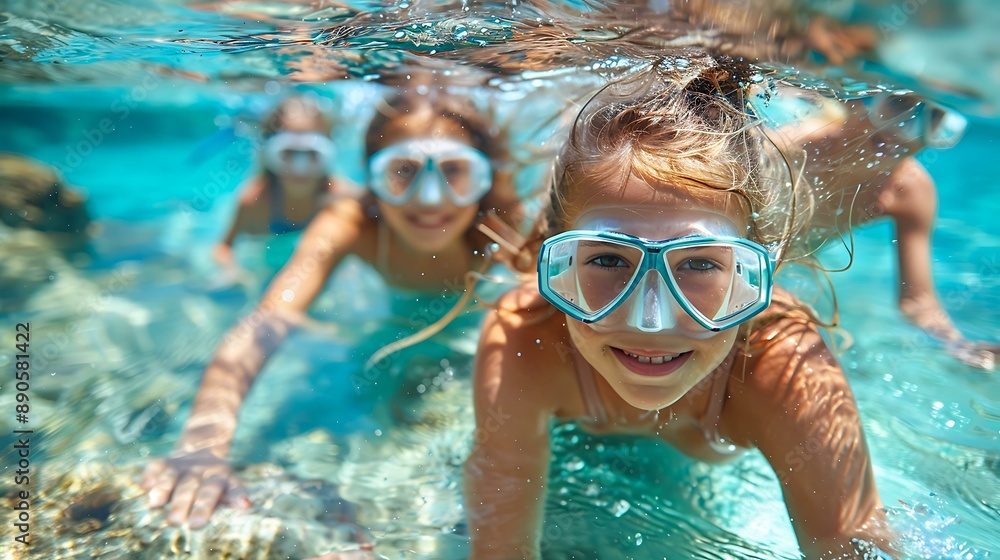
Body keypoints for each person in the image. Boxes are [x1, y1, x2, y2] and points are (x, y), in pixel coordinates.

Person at [463, 68, 897, 559]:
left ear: (757, 272)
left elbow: (854, 543)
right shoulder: (523, 338)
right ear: (556, 259)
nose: (652, 320)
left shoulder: (784, 360)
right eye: (607, 259)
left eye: (698, 264)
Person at [143, 85, 523, 529]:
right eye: (403, 171)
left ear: (485, 178)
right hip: (391, 327)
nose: (430, 198)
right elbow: (269, 319)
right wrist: (203, 441)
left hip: (466, 330)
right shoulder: (352, 223)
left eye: (455, 171)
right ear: (371, 179)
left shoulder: (500, 223)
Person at [761, 89, 997, 370]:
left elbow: (918, 301)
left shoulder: (909, 190)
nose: (908, 131)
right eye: (899, 105)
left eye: (932, 118)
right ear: (855, 98)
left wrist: (956, 345)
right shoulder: (784, 150)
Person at [213, 95, 345, 271]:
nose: (300, 168)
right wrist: (233, 274)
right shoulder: (255, 201)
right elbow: (223, 248)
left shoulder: (341, 199)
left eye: (311, 153)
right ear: (268, 153)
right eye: (288, 152)